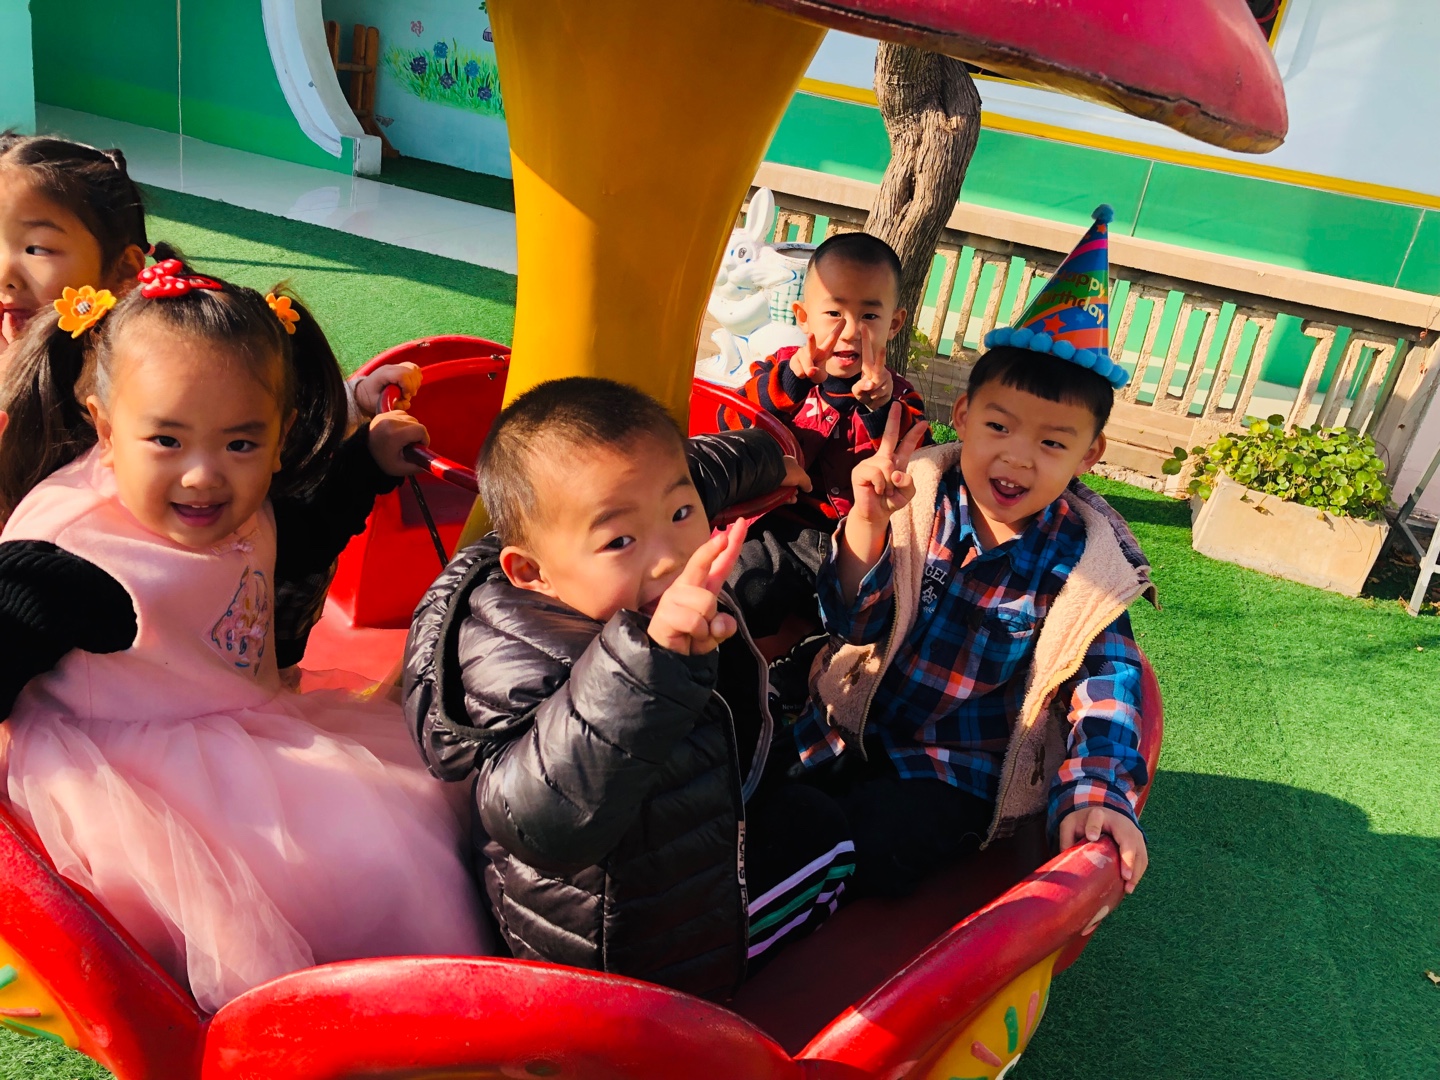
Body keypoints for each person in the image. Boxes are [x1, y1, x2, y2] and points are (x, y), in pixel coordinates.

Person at [0, 260, 489, 1013]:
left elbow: (283, 541)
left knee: (424, 795)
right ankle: (366, 1016)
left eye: (239, 445)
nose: (203, 476)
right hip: (131, 780)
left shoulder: (232, 504)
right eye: (166, 440)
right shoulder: (81, 557)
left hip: (242, 727)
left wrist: (362, 467)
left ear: (280, 435)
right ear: (104, 425)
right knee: (377, 853)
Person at [405, 377, 857, 1001]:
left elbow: (693, 474)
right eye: (620, 542)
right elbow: (542, 819)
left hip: (664, 850)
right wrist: (655, 660)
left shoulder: (572, 536)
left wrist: (770, 459)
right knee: (833, 835)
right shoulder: (524, 656)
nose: (670, 557)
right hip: (628, 955)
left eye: (681, 515)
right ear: (530, 572)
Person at [794, 207, 1155, 900]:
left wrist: (1099, 793)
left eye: (1052, 443)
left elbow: (1107, 688)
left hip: (954, 768)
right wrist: (867, 525)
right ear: (963, 418)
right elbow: (853, 624)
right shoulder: (918, 498)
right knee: (763, 791)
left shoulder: (1086, 565)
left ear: (1090, 454)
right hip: (852, 721)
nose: (1017, 457)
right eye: (999, 426)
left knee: (869, 843)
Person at [0, 134, 419, 440]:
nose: (6, 275)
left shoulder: (156, 356)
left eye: (37, 248)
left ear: (125, 270)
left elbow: (260, 416)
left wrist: (353, 400)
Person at [717, 232, 927, 706]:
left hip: (855, 543)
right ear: (802, 316)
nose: (850, 331)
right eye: (834, 313)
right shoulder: (778, 372)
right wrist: (793, 379)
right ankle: (717, 665)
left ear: (894, 323)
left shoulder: (900, 397)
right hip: (781, 527)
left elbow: (916, 458)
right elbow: (733, 422)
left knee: (869, 623)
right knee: (744, 581)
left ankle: (806, 672)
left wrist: (879, 410)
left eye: (869, 316)